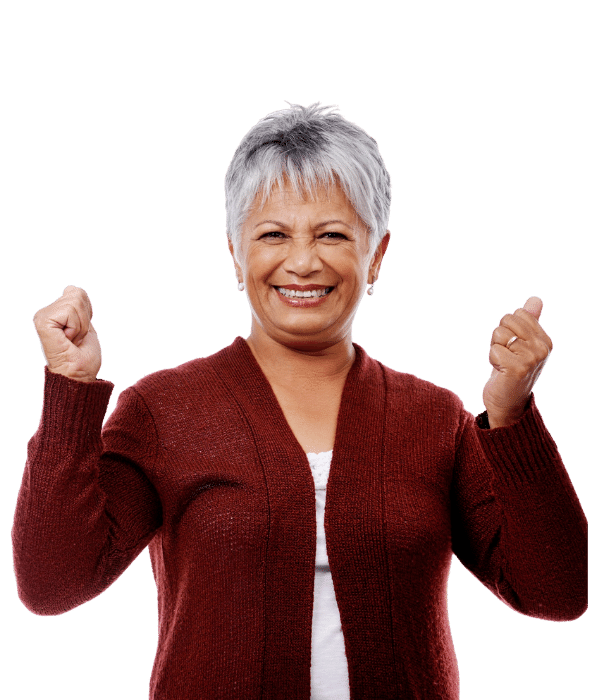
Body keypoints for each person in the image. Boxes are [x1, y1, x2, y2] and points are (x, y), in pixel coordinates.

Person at [11, 101, 587, 700]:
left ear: (377, 255)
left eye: (333, 234)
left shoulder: (435, 418)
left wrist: (514, 414)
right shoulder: (164, 410)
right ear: (236, 253)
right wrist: (71, 392)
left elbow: (558, 590)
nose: (304, 261)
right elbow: (52, 583)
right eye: (273, 234)